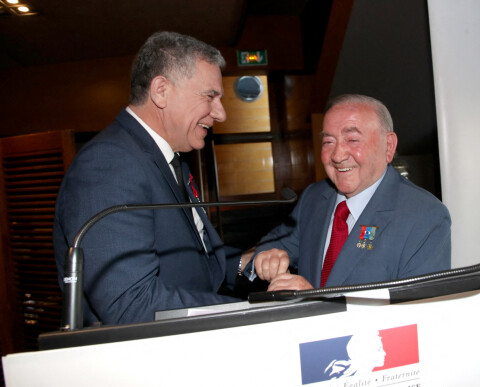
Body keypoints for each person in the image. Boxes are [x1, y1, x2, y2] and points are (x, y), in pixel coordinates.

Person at [53, 31, 245, 326]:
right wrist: (248, 311)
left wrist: (249, 264)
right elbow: (129, 302)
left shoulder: (169, 159)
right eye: (210, 96)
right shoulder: (108, 163)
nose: (220, 113)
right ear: (161, 91)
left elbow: (191, 257)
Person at [244, 94, 451, 290]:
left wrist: (316, 302)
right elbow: (275, 244)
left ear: (388, 146)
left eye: (352, 140)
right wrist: (266, 256)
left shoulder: (425, 216)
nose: (337, 155)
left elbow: (419, 312)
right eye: (328, 142)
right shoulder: (315, 197)